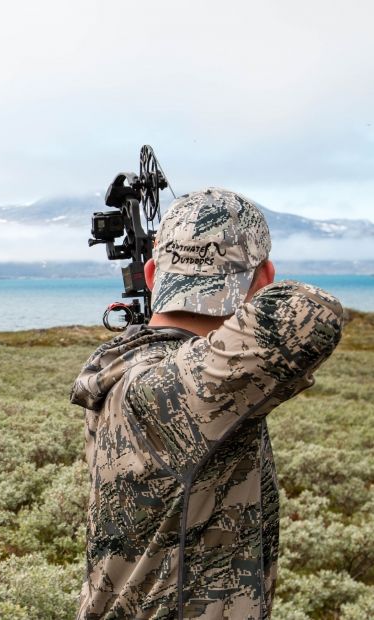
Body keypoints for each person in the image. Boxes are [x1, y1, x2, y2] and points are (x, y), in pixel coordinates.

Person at [70, 188, 344, 619]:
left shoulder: (132, 366)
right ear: (266, 276)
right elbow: (314, 312)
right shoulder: (173, 388)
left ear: (149, 274)